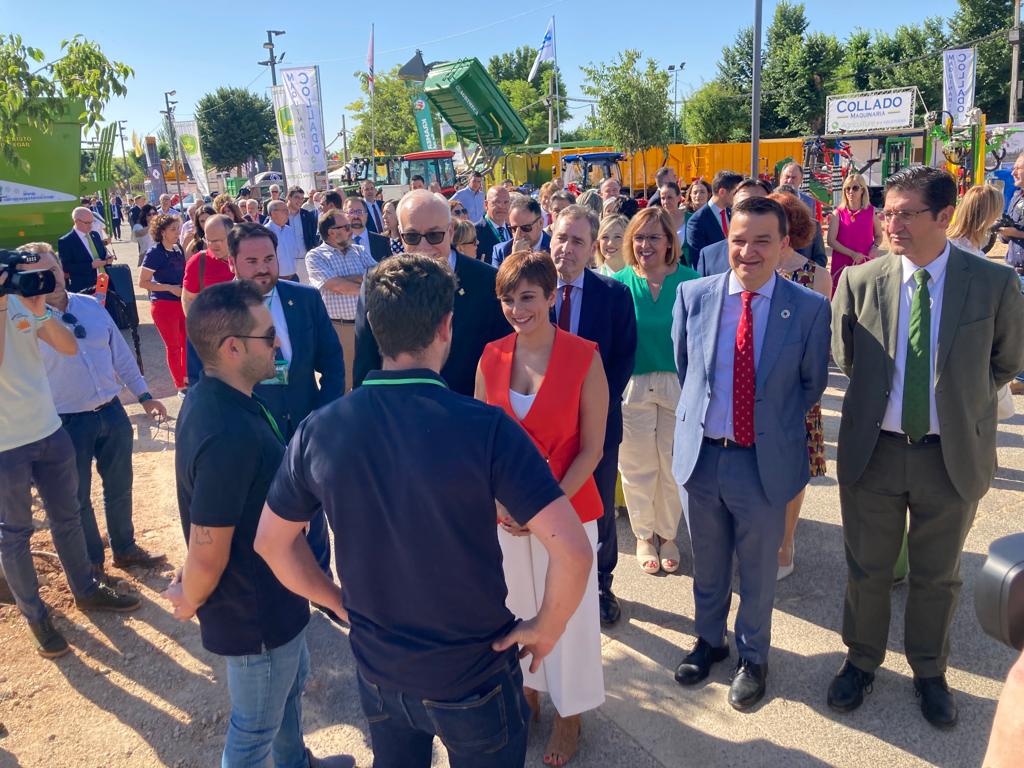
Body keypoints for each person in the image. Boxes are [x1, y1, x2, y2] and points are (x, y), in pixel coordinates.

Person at [254, 252, 592, 768]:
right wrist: (545, 629)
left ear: (373, 325)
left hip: (379, 672)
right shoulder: (487, 428)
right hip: (475, 674)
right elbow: (572, 550)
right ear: (446, 326)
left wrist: (337, 603)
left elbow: (272, 542)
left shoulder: (320, 429)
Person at [828, 166, 1024, 729]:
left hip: (950, 455)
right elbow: (848, 357)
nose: (892, 224)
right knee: (867, 568)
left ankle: (930, 671)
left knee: (938, 575)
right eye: (887, 213)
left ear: (944, 215)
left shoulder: (992, 284)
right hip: (877, 452)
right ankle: (861, 661)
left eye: (906, 214)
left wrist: (956, 400)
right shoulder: (860, 281)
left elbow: (1007, 361)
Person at [164, 281, 348, 768]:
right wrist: (191, 594)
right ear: (232, 348)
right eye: (269, 337)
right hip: (254, 612)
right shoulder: (228, 432)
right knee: (252, 734)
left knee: (288, 692)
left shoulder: (221, 398)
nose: (280, 345)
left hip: (274, 600)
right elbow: (209, 548)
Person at [670, 195, 830, 710]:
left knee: (758, 569)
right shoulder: (693, 295)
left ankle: (753, 656)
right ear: (727, 242)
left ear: (784, 245)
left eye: (763, 241)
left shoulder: (808, 309)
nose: (748, 251)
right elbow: (685, 368)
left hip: (761, 461)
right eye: (739, 240)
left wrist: (760, 424)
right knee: (708, 563)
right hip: (703, 458)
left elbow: (811, 386)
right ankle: (709, 641)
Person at [476, 250, 608, 766]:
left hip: (571, 512)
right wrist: (500, 503)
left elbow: (593, 447)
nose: (516, 308)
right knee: (516, 606)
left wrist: (545, 508)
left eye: (527, 297)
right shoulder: (490, 356)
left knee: (569, 619)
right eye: (507, 299)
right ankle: (527, 689)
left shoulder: (584, 355)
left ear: (552, 296)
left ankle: (569, 713)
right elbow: (479, 443)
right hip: (507, 517)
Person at [1, 246, 141, 659]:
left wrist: (39, 306)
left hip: (49, 429)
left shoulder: (22, 304)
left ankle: (84, 590)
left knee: (68, 518)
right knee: (15, 533)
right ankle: (35, 615)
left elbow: (66, 346)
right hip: (6, 443)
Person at [37, 250, 168, 579]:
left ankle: (124, 548)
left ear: (61, 269)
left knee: (120, 485)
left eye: (52, 268)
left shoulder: (91, 306)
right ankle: (92, 562)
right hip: (65, 422)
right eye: (38, 272)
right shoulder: (26, 322)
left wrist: (145, 395)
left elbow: (120, 354)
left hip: (111, 412)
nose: (48, 277)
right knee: (78, 497)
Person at [550, 206, 637, 627]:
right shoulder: (530, 291)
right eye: (561, 237)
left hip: (596, 427)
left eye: (577, 242)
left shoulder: (614, 295)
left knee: (599, 509)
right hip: (539, 430)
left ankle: (601, 585)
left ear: (593, 250)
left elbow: (622, 362)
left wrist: (589, 412)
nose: (566, 248)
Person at [611, 206, 699, 575]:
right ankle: (644, 533)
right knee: (636, 464)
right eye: (639, 237)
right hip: (635, 385)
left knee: (672, 464)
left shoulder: (691, 281)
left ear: (669, 242)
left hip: (679, 384)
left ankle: (668, 533)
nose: (645, 244)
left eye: (654, 237)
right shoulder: (619, 282)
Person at [354, 189, 509, 395]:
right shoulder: (376, 282)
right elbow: (365, 366)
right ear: (400, 236)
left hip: (470, 416)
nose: (424, 246)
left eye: (435, 235)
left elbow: (503, 360)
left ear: (451, 231)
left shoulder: (487, 281)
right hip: (398, 416)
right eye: (412, 236)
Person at [769, 191, 833, 581]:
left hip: (797, 390)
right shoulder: (749, 269)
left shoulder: (817, 276)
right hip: (756, 388)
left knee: (795, 468)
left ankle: (786, 540)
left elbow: (818, 342)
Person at [307, 211, 377, 391]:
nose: (351, 230)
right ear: (332, 232)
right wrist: (363, 281)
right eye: (346, 227)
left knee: (368, 376)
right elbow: (335, 285)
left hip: (366, 325)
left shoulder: (359, 251)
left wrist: (352, 279)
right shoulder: (316, 256)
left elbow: (377, 277)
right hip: (338, 328)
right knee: (342, 381)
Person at [140, 213, 188, 396]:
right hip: (163, 305)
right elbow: (143, 282)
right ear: (162, 232)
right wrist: (169, 288)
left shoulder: (178, 249)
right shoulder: (154, 253)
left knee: (186, 342)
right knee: (174, 346)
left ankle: (187, 377)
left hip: (181, 302)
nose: (177, 233)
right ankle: (180, 385)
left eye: (178, 228)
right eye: (173, 229)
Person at [695, 179, 771, 277]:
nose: (751, 213)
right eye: (743, 206)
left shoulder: (785, 254)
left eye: (759, 207)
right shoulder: (709, 257)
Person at [826, 172, 883, 293]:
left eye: (855, 188)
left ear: (862, 190)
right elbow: (831, 241)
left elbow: (878, 235)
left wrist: (875, 247)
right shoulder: (838, 213)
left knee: (864, 297)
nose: (851, 191)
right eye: (847, 188)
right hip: (842, 263)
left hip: (865, 262)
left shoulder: (871, 211)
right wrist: (852, 254)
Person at [181, 214, 235, 314]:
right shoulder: (198, 261)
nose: (212, 246)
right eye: (208, 240)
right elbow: (188, 299)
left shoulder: (246, 258)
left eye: (218, 240)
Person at [685, 170, 743, 259]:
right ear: (722, 192)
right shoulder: (697, 221)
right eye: (735, 193)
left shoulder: (733, 213)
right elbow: (698, 260)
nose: (738, 196)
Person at [57, 207, 115, 293]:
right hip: (84, 288)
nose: (91, 225)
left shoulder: (95, 235)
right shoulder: (66, 241)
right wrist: (90, 265)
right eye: (87, 223)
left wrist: (107, 259)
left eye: (92, 222)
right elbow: (66, 267)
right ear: (76, 221)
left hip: (104, 283)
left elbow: (102, 255)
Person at [776, 183, 828, 269]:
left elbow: (820, 259)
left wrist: (805, 274)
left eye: (789, 204)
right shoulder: (768, 228)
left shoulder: (813, 226)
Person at [492, 196, 552, 267]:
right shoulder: (501, 251)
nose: (519, 233)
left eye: (526, 227)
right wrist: (514, 259)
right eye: (514, 228)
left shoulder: (555, 249)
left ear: (541, 223)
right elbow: (499, 278)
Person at [948, 183, 1004, 257]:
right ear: (988, 216)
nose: (998, 217)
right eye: (997, 212)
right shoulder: (965, 250)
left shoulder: (948, 243)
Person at [344, 196, 390, 262]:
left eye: (359, 212)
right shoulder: (338, 244)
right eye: (351, 212)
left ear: (366, 215)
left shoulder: (383, 241)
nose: (356, 216)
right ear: (344, 215)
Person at [265, 200, 302, 281]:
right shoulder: (265, 232)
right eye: (285, 210)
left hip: (293, 277)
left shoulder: (289, 230)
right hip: (276, 280)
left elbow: (294, 252)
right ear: (273, 213)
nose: (288, 213)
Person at [475, 184, 512, 260]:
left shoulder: (514, 230)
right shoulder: (475, 232)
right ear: (486, 205)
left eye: (506, 202)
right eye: (497, 202)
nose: (502, 206)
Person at [658, 181, 687, 251]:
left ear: (679, 197)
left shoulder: (691, 219)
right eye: (663, 198)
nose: (665, 202)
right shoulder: (657, 220)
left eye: (670, 197)